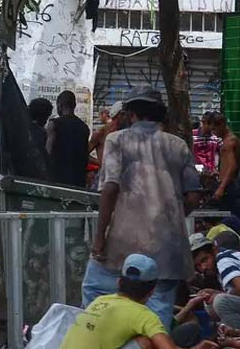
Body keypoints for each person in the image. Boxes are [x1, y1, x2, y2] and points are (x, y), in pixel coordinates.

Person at [84, 86, 202, 328]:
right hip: (168, 249)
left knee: (96, 292)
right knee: (156, 317)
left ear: (131, 113)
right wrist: (171, 217)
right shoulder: (179, 145)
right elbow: (192, 198)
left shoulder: (117, 140)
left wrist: (99, 238)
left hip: (123, 244)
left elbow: (110, 188)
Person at [54, 254, 218, 349]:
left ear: (119, 282)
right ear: (152, 291)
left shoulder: (100, 301)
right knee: (149, 343)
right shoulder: (143, 315)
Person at [190, 232, 240, 329]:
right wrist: (216, 293)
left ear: (214, 251)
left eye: (205, 260)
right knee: (211, 302)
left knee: (220, 301)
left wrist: (218, 295)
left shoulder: (222, 259)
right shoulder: (225, 257)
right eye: (198, 265)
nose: (203, 267)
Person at [209, 113, 240, 228]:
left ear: (222, 124)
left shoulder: (230, 141)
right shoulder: (226, 141)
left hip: (232, 187)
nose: (214, 132)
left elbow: (233, 166)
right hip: (228, 184)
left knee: (231, 219)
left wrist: (221, 188)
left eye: (215, 128)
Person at [46, 90, 90, 187]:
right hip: (78, 182)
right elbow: (85, 155)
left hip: (57, 180)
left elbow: (48, 152)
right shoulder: (84, 127)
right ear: (74, 105)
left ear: (60, 105)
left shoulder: (54, 124)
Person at [193, 111, 222, 177]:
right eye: (209, 124)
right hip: (196, 174)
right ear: (203, 122)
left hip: (212, 173)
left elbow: (222, 154)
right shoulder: (193, 136)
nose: (211, 127)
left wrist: (218, 170)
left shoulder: (216, 137)